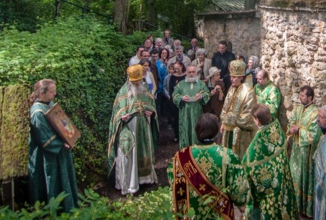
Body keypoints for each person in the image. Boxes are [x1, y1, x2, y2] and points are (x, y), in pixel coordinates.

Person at [167, 114, 249, 219]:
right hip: (220, 214)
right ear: (216, 131)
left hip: (191, 215)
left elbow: (172, 179)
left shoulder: (181, 156)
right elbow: (239, 187)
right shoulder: (227, 156)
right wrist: (242, 204)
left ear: (197, 131)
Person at [28, 79, 79, 212]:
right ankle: (55, 211)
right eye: (51, 92)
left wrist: (69, 137)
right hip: (47, 156)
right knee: (52, 182)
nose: (54, 95)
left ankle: (68, 206)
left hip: (60, 150)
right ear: (42, 93)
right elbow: (44, 138)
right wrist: (62, 144)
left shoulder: (48, 104)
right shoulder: (37, 113)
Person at [107, 65, 159, 195]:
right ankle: (131, 183)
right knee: (131, 153)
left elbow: (151, 105)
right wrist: (122, 117)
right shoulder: (123, 92)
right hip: (130, 127)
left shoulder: (145, 88)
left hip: (144, 125)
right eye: (135, 81)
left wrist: (151, 113)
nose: (137, 83)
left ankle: (145, 179)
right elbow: (116, 113)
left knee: (144, 151)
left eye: (139, 80)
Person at [243, 104, 298, 220]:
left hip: (267, 191)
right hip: (281, 183)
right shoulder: (277, 130)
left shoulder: (256, 144)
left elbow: (246, 166)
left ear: (257, 120)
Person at [287, 85, 321, 218]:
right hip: (296, 150)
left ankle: (304, 208)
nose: (300, 98)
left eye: (302, 96)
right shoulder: (298, 108)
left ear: (310, 97)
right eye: (300, 95)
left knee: (303, 178)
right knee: (294, 175)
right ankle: (294, 204)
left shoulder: (316, 113)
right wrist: (291, 126)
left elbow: (314, 134)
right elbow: (292, 120)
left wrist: (299, 130)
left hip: (306, 153)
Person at [220, 60, 257, 157]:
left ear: (241, 77)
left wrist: (232, 120)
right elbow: (225, 107)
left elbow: (248, 115)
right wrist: (223, 121)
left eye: (234, 77)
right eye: (231, 76)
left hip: (240, 133)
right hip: (228, 130)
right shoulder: (231, 89)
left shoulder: (249, 92)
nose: (231, 79)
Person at [172, 64, 210, 148]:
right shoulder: (180, 84)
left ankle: (197, 148)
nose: (191, 74)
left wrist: (200, 96)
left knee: (197, 128)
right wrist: (182, 97)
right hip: (185, 111)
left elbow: (207, 93)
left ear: (196, 73)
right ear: (186, 73)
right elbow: (174, 95)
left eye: (193, 72)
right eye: (189, 72)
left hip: (197, 110)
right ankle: (185, 149)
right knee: (186, 129)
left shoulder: (201, 84)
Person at [166, 61, 187, 143]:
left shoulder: (186, 76)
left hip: (185, 100)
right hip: (175, 101)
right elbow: (171, 89)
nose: (176, 70)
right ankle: (177, 135)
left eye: (178, 68)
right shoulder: (172, 77)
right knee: (176, 118)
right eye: (175, 69)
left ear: (182, 66)